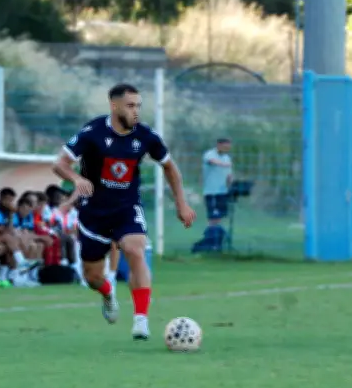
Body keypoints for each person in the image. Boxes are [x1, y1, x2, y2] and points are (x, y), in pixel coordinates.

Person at [53, 83, 196, 340]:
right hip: (94, 213)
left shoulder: (146, 136)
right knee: (92, 277)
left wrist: (181, 204)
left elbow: (170, 168)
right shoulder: (92, 132)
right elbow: (60, 164)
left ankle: (141, 319)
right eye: (130, 106)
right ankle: (108, 293)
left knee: (135, 249)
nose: (136, 111)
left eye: (138, 106)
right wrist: (76, 179)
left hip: (127, 207)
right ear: (114, 105)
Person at [203, 138, 233, 229]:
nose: (226, 149)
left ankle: (217, 238)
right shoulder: (209, 154)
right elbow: (212, 161)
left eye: (228, 147)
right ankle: (211, 237)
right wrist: (223, 164)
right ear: (219, 145)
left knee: (219, 217)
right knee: (212, 217)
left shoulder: (227, 158)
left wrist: (231, 183)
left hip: (223, 192)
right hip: (211, 192)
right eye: (225, 147)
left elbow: (229, 174)